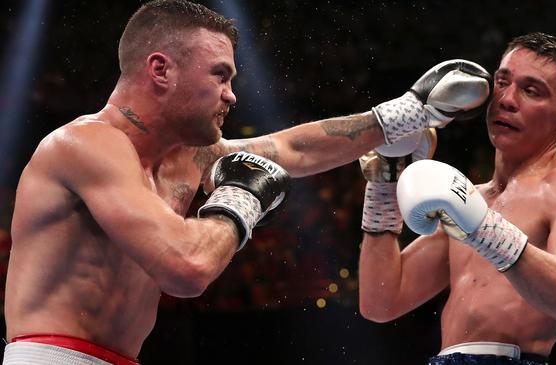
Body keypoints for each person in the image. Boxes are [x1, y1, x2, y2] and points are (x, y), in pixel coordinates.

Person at [2, 1, 492, 364]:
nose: (232, 95)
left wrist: (401, 114)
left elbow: (291, 149)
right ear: (160, 70)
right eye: (220, 75)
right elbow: (186, 266)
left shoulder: (188, 156)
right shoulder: (87, 145)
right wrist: (239, 198)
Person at [357, 32, 556, 365]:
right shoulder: (468, 199)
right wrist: (383, 189)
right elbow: (381, 301)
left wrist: (483, 229)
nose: (506, 99)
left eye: (530, 90)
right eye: (502, 82)